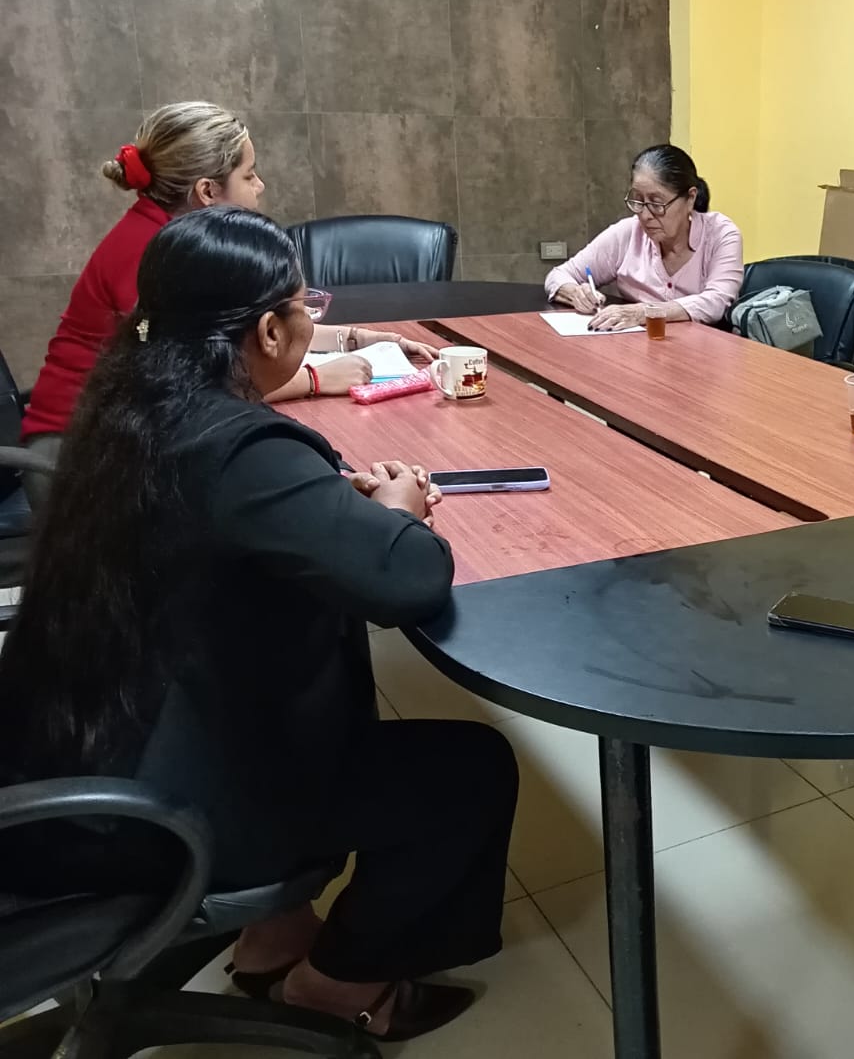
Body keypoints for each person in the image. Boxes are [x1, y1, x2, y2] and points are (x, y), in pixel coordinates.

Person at [0, 208, 518, 1041]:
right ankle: (338, 983)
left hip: (72, 752)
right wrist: (398, 512)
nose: (310, 316)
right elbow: (406, 580)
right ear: (272, 330)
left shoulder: (126, 406)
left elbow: (217, 524)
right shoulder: (238, 449)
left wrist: (319, 506)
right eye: (304, 303)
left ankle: (273, 939)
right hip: (152, 816)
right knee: (468, 772)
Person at [19, 101, 439, 512]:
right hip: (82, 460)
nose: (261, 187)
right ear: (207, 191)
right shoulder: (157, 258)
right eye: (249, 175)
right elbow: (201, 379)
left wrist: (360, 339)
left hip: (132, 438)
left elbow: (258, 325)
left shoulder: (182, 242)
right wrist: (315, 378)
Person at [545, 144, 743, 330]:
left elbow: (716, 301)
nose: (645, 215)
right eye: (638, 201)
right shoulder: (629, 232)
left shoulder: (720, 234)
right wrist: (576, 293)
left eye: (657, 204)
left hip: (703, 347)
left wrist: (644, 312)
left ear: (690, 198)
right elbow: (559, 275)